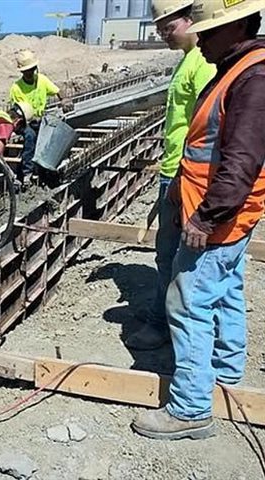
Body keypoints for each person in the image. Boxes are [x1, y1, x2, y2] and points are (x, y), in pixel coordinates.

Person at [133, 0, 265, 440]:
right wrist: (179, 186)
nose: (202, 40)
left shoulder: (253, 78)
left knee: (186, 302)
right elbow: (207, 146)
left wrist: (206, 218)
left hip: (219, 215)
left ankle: (190, 407)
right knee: (224, 289)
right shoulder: (236, 68)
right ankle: (225, 372)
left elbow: (241, 162)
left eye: (210, 32)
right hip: (220, 210)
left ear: (241, 26)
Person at [124, 0, 216, 351]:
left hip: (186, 175)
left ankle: (164, 326)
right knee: (169, 255)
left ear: (190, 20)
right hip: (176, 171)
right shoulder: (187, 61)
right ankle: (166, 319)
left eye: (169, 25)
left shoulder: (203, 64)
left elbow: (208, 128)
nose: (163, 33)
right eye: (159, 27)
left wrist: (181, 178)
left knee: (175, 257)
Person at [8, 50, 71, 187]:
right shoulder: (16, 88)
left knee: (50, 134)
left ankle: (47, 171)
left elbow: (58, 90)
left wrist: (65, 99)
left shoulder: (41, 80)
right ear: (22, 72)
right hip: (23, 121)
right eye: (27, 71)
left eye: (31, 70)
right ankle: (27, 173)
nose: (30, 73)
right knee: (30, 136)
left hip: (39, 120)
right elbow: (19, 114)